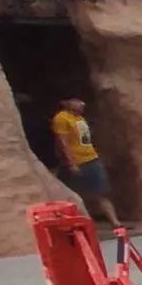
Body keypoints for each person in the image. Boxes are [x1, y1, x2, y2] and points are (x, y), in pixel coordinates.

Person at [51, 97, 121, 228]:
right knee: (70, 195)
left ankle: (116, 223)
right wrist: (71, 163)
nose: (82, 104)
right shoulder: (62, 118)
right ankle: (81, 224)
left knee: (99, 193)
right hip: (77, 161)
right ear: (66, 103)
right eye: (77, 101)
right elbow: (62, 142)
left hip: (91, 159)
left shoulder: (79, 118)